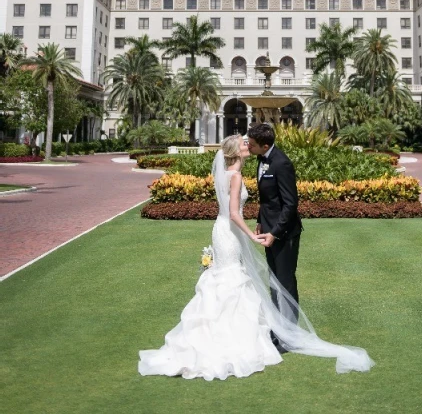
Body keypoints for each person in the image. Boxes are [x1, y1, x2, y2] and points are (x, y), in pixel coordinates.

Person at [138, 134, 374, 381]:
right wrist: (251, 233)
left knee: (227, 279)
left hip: (223, 231)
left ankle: (225, 334)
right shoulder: (236, 176)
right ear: (235, 152)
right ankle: (235, 339)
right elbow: (232, 213)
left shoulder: (228, 174)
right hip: (231, 233)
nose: (247, 145)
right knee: (232, 279)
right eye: (243, 144)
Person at [247, 122, 302, 330]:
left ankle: (291, 331)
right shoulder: (261, 160)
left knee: (285, 280)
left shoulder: (282, 163)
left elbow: (290, 204)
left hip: (284, 233)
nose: (248, 147)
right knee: (273, 280)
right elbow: (267, 199)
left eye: (251, 144)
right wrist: (261, 222)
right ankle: (277, 327)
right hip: (268, 229)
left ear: (265, 144)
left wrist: (275, 233)